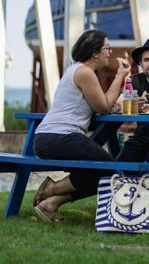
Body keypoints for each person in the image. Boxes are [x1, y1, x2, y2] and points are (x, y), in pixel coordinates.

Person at [31, 30, 130, 223]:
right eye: (107, 48)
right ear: (95, 53)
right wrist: (119, 76)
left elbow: (99, 105)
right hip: (59, 137)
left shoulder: (75, 69)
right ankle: (51, 189)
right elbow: (103, 106)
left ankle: (49, 204)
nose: (110, 52)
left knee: (97, 172)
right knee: (110, 171)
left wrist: (112, 104)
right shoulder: (85, 72)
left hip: (50, 137)